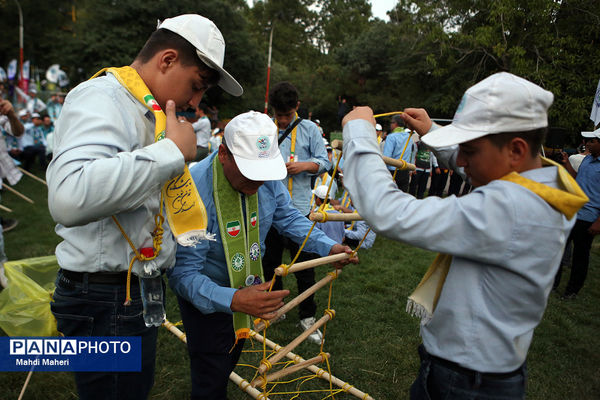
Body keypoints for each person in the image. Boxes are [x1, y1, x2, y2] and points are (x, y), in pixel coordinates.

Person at [340, 72, 588, 399]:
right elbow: (485, 167)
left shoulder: (509, 209)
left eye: (468, 149)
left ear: (515, 150)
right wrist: (432, 131)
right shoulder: (542, 185)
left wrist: (358, 133)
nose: (459, 160)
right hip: (481, 373)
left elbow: (389, 211)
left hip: (463, 382)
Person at [46, 14, 243, 400]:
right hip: (106, 298)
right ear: (167, 60)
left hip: (131, 291)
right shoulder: (103, 97)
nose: (195, 102)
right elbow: (68, 196)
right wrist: (170, 152)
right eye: (197, 86)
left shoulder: (148, 110)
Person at [167, 111, 355, 400]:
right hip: (207, 297)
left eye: (263, 173)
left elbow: (289, 216)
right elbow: (184, 275)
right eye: (249, 172)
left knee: (228, 357)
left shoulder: (265, 179)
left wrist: (326, 246)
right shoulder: (192, 190)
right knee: (210, 371)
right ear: (223, 154)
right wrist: (233, 299)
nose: (258, 183)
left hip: (247, 289)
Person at [262, 81, 331, 344]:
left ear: (297, 107)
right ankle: (275, 310)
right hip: (269, 208)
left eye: (286, 116)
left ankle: (307, 316)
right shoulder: (266, 127)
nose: (281, 120)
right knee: (270, 264)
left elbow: (325, 162)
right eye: (278, 115)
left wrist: (304, 165)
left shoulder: (310, 129)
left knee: (305, 266)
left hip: (300, 209)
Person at [553, 128, 600, 299]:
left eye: (592, 141)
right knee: (557, 249)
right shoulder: (587, 159)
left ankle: (572, 291)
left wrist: (598, 223)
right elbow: (577, 179)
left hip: (589, 218)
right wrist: (566, 163)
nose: (587, 144)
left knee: (580, 257)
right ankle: (552, 284)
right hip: (572, 212)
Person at [382, 114, 415, 192]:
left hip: (393, 171)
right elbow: (411, 154)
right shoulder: (409, 137)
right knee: (402, 196)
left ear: (395, 124)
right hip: (405, 170)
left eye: (391, 123)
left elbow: (387, 157)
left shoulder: (391, 137)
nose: (390, 125)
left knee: (390, 196)